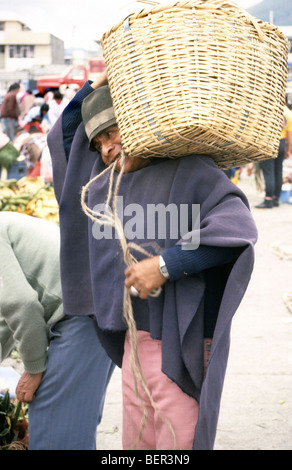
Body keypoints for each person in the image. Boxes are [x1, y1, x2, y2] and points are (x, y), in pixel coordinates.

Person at [48, 73, 257, 450]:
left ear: (138, 123)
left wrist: (165, 266)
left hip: (179, 339)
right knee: (137, 442)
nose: (108, 149)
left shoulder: (190, 171)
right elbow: (65, 135)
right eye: (99, 143)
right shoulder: (102, 183)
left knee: (178, 441)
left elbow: (236, 233)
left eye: (113, 132)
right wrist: (98, 81)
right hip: (133, 342)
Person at [0, 212, 115, 450]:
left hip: (83, 312)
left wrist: (33, 369)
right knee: (73, 424)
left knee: (54, 430)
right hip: (94, 306)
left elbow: (21, 306)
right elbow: (9, 316)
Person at [256, 104, 292, 208]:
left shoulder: (269, 108)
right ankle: (276, 198)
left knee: (269, 171)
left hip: (269, 142)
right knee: (278, 171)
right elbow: (290, 134)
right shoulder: (288, 113)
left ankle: (268, 199)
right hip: (281, 143)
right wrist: (289, 149)